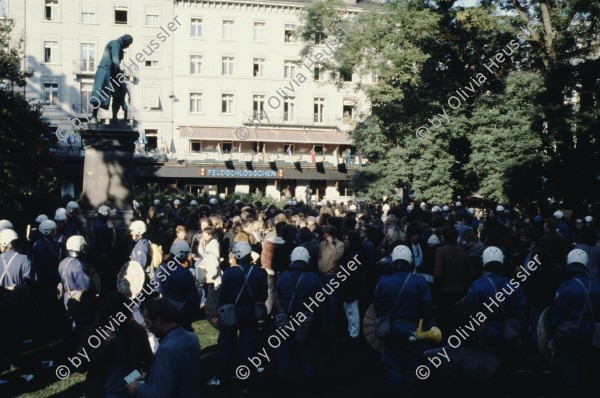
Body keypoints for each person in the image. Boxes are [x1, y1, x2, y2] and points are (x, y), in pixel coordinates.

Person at [374, 245, 433, 397]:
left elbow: (378, 307)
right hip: (414, 328)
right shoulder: (420, 281)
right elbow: (427, 307)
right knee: (413, 361)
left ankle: (396, 392)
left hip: (392, 327)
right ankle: (411, 391)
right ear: (410, 261)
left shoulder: (384, 280)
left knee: (394, 363)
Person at [466, 246, 526, 394]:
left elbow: (471, 311)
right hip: (508, 332)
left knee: (486, 366)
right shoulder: (514, 285)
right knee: (509, 365)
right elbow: (522, 310)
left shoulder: (477, 285)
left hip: (486, 332)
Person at [210, 241, 267, 387]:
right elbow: (263, 295)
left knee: (226, 343)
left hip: (232, 311)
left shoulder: (230, 273)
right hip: (250, 312)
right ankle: (246, 377)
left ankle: (223, 375)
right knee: (247, 344)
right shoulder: (259, 273)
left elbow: (222, 297)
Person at [82, 291, 153, 398]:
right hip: (102, 392)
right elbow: (80, 365)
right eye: (110, 316)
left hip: (130, 391)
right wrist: (101, 348)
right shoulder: (94, 333)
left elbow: (149, 361)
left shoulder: (136, 331)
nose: (113, 319)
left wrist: (135, 379)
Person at [127, 297, 202, 397]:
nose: (147, 327)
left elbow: (161, 394)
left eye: (148, 322)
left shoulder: (168, 349)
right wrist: (151, 375)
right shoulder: (191, 337)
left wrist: (138, 387)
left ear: (158, 320)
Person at [549, 249, 600, 397]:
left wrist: (553, 333)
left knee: (570, 364)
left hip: (572, 331)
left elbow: (557, 316)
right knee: (590, 362)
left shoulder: (566, 287)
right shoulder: (597, 285)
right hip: (594, 329)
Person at [275, 247, 323, 385]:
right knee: (308, 347)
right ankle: (309, 376)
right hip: (306, 318)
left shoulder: (282, 277)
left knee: (283, 347)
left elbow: (278, 296)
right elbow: (320, 299)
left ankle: (282, 374)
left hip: (286, 318)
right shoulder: (313, 279)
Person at [0, 229, 36, 369]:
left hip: (1, 302)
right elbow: (33, 281)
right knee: (16, 331)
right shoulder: (24, 259)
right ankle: (15, 360)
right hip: (18, 303)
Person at [57, 235, 99, 354]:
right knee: (80, 326)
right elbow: (86, 285)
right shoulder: (78, 265)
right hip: (79, 299)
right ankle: (77, 351)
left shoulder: (63, 262)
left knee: (70, 323)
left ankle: (68, 348)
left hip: (67, 296)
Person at [153, 241, 199, 331]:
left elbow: (156, 288)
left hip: (164, 308)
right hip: (181, 311)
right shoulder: (185, 273)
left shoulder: (161, 268)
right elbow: (192, 297)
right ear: (182, 256)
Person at [90, 34, 134, 123]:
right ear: (125, 40)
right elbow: (115, 60)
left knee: (117, 94)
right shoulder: (115, 44)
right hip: (105, 71)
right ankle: (93, 117)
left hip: (111, 73)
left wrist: (119, 72)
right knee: (100, 93)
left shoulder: (120, 48)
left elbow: (116, 62)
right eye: (128, 43)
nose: (128, 46)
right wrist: (119, 71)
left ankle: (114, 118)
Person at [89, 205, 114, 291]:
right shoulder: (100, 225)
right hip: (101, 253)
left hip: (102, 252)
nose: (109, 216)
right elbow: (101, 240)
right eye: (108, 214)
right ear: (105, 214)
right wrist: (103, 253)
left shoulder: (101, 223)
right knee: (102, 272)